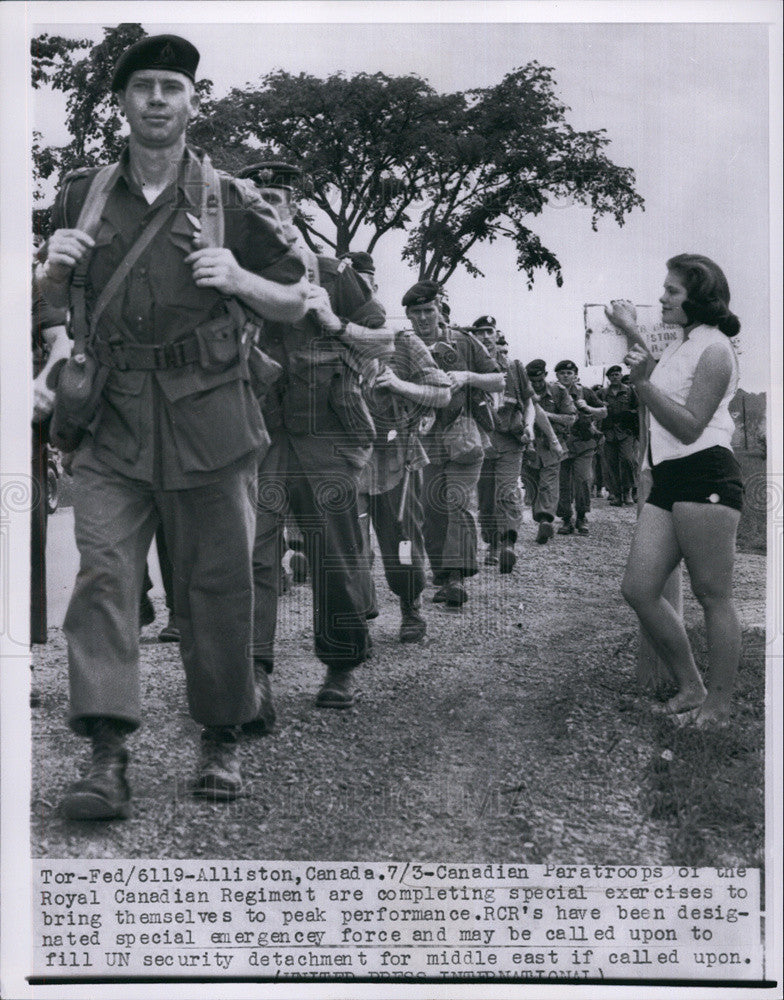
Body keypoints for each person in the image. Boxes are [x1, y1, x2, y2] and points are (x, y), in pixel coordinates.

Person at [36, 35, 308, 817]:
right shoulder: (80, 195)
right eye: (143, 87)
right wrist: (50, 278)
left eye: (172, 87)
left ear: (193, 102)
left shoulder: (231, 199)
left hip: (210, 416)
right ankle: (107, 752)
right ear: (122, 103)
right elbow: (50, 300)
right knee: (104, 579)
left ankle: (221, 736)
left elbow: (300, 299)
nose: (157, 99)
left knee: (216, 586)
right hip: (113, 420)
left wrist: (243, 278)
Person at [238, 162, 392, 711]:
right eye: (254, 198)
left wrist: (336, 324)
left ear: (294, 205)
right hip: (259, 430)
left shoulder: (330, 270)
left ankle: (341, 666)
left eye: (275, 197)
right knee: (252, 550)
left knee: (335, 549)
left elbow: (384, 344)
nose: (266, 207)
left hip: (328, 430)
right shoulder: (231, 270)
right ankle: (254, 670)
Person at [606, 255, 743, 727]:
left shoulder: (716, 350)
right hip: (669, 477)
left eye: (671, 291)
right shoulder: (686, 344)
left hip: (706, 473)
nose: (661, 298)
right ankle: (692, 686)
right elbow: (653, 374)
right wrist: (628, 330)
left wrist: (642, 385)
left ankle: (719, 708)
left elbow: (688, 426)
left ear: (699, 298)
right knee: (639, 588)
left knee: (712, 594)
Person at [404, 284, 505, 607]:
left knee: (457, 502)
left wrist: (466, 376)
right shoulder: (404, 345)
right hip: (425, 439)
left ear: (439, 309)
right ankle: (442, 571)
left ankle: (456, 576)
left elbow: (499, 380)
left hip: (465, 435)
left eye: (428, 311)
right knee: (432, 508)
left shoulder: (463, 340)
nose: (423, 318)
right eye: (416, 312)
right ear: (408, 315)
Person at [30, 277, 70, 706]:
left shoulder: (26, 284)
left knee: (22, 542)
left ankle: (18, 659)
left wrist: (45, 384)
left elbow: (61, 342)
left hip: (18, 424)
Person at [474, 317, 534, 572]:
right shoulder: (471, 368)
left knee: (508, 492)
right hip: (482, 441)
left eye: (490, 332)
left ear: (497, 336)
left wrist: (529, 425)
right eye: (481, 333)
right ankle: (492, 544)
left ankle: (508, 542)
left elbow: (530, 402)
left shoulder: (514, 367)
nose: (486, 336)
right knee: (486, 499)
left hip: (510, 441)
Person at [520, 359, 575, 543]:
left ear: (545, 375)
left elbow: (570, 418)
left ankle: (545, 520)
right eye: (532, 381)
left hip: (552, 446)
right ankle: (542, 518)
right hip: (528, 447)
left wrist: (544, 415)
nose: (536, 384)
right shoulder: (521, 393)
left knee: (549, 485)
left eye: (539, 380)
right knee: (532, 486)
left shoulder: (559, 392)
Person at [553, 360, 607, 535]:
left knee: (582, 479)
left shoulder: (585, 392)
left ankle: (582, 515)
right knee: (563, 483)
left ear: (575, 375)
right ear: (557, 376)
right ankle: (566, 518)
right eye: (562, 373)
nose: (566, 376)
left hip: (584, 442)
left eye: (569, 373)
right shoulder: (552, 393)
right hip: (561, 444)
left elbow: (604, 411)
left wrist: (588, 407)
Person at [599, 365, 638, 506]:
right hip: (609, 432)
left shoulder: (629, 391)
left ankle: (628, 492)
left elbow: (637, 407)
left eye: (617, 374)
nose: (615, 377)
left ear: (621, 376)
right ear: (608, 378)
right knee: (612, 463)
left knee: (628, 460)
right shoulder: (602, 393)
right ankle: (616, 494)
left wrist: (630, 415)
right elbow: (596, 411)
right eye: (612, 375)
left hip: (625, 431)